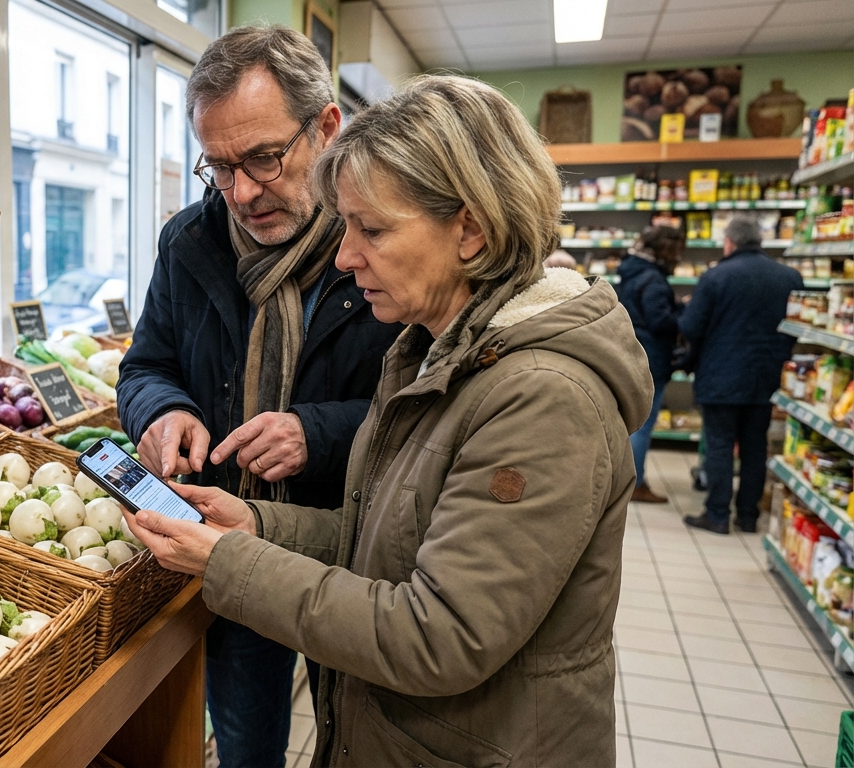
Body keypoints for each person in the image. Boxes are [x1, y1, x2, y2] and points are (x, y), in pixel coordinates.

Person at [123, 75, 651, 767]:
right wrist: (259, 524)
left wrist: (229, 560)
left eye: (370, 230)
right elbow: (386, 537)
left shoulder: (541, 398)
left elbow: (438, 635)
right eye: (345, 228)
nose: (345, 257)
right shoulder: (431, 348)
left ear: (470, 228)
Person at [115, 24, 403, 768]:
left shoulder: (384, 242)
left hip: (356, 547)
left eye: (264, 158)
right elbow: (146, 366)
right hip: (230, 538)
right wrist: (163, 410)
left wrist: (319, 432)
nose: (241, 192)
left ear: (328, 128)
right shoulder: (189, 242)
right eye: (218, 168)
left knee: (362, 735)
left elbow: (423, 413)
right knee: (248, 744)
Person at [680, 215, 802, 534]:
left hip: (721, 373)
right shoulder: (789, 277)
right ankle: (748, 516)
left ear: (729, 243)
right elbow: (795, 328)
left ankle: (717, 513)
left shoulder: (716, 276)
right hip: (767, 374)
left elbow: (691, 326)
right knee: (754, 445)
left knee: (720, 444)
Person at [617, 226, 686, 503]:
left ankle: (623, 480)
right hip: (651, 358)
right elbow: (659, 322)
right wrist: (683, 312)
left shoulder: (631, 271)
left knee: (629, 422)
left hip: (631, 351)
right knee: (642, 424)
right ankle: (636, 484)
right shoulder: (653, 279)